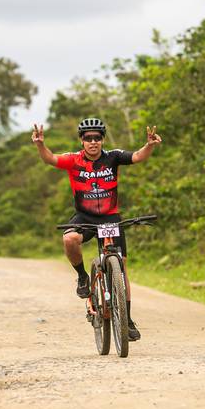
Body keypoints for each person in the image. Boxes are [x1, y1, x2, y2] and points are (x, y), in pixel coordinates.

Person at [32, 117, 161, 341]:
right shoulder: (73, 160)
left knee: (121, 267)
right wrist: (40, 144)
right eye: (88, 138)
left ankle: (127, 319)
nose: (93, 142)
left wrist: (149, 145)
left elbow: (138, 156)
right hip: (85, 216)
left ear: (102, 140)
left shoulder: (113, 157)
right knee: (69, 239)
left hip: (110, 217)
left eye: (97, 138)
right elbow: (50, 159)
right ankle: (83, 277)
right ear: (82, 140)